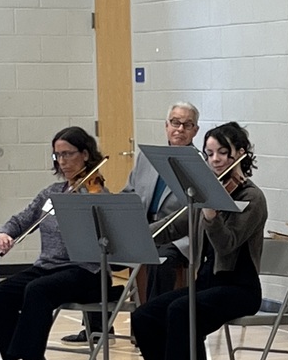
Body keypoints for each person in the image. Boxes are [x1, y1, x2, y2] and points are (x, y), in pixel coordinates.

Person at [131, 121, 267, 360]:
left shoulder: (251, 198)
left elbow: (226, 245)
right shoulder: (207, 192)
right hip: (207, 283)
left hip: (238, 287)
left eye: (222, 152)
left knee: (182, 311)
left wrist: (211, 212)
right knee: (144, 316)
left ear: (240, 154)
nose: (215, 159)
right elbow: (174, 226)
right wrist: (137, 235)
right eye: (209, 153)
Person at [0, 126, 107, 360]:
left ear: (85, 154)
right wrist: (5, 232)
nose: (62, 161)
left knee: (37, 291)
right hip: (48, 268)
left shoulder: (96, 193)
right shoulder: (52, 193)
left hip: (86, 272)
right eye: (57, 156)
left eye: (68, 154)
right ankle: (32, 359)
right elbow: (22, 218)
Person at [61, 101, 200, 343]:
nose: (180, 129)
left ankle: (154, 330)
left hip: (177, 236)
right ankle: (98, 326)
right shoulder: (148, 157)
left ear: (195, 131)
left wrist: (149, 232)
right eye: (175, 123)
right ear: (166, 126)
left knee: (160, 260)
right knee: (96, 248)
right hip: (142, 229)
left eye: (187, 125)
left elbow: (191, 215)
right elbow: (130, 193)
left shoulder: (200, 164)